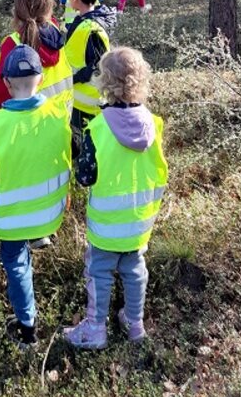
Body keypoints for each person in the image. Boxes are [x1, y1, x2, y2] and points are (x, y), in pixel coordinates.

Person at [0, 45, 72, 348]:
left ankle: (27, 327)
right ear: (41, 77)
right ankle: (28, 323)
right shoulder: (59, 115)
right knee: (21, 259)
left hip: (11, 220)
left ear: (5, 83)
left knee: (16, 263)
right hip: (49, 215)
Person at [63, 47, 168, 349]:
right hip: (139, 223)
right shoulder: (154, 124)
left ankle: (96, 327)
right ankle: (135, 324)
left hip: (106, 225)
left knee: (99, 271)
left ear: (104, 82)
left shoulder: (97, 128)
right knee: (135, 271)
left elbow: (85, 177)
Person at [0, 0, 72, 120]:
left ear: (16, 11)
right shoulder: (55, 31)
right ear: (49, 9)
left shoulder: (13, 43)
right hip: (59, 120)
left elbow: (3, 88)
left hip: (24, 126)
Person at [63, 0, 117, 150]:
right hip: (82, 100)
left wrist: (74, 78)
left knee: (85, 147)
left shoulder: (90, 29)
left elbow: (97, 65)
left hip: (87, 103)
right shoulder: (93, 20)